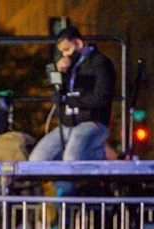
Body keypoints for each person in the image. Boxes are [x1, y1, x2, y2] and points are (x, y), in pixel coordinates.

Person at [29, 26, 116, 162]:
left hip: (91, 122)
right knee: (37, 159)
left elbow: (101, 97)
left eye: (67, 49)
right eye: (62, 52)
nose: (65, 55)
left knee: (71, 158)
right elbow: (61, 92)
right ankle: (62, 183)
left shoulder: (100, 63)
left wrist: (69, 100)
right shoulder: (69, 66)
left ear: (78, 44)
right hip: (67, 124)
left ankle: (99, 154)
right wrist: (60, 78)